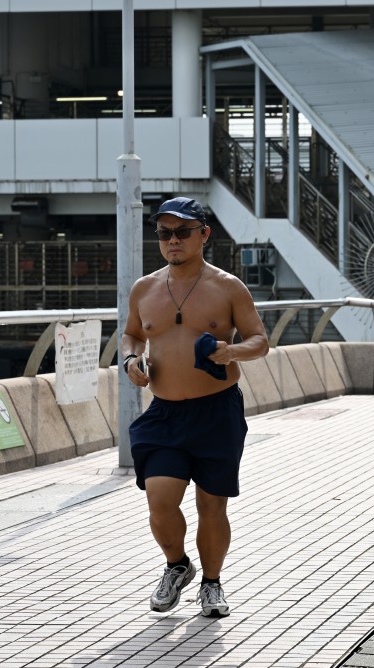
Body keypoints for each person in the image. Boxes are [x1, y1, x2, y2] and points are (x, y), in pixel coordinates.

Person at [122, 197, 269, 618]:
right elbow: (132, 334)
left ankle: (211, 583)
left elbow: (260, 340)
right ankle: (176, 565)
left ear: (204, 234)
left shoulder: (227, 287)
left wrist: (232, 351)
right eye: (165, 233)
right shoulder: (144, 289)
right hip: (165, 412)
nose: (173, 241)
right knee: (160, 500)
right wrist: (132, 361)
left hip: (216, 410)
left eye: (183, 232)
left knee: (211, 505)